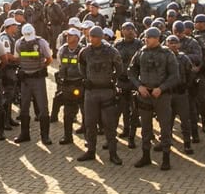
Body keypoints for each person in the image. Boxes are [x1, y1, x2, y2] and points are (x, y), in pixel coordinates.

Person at [129, 26, 181, 170]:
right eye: (145, 37)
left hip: (161, 96)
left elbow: (175, 76)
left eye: (149, 37)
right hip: (144, 95)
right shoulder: (141, 52)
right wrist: (139, 86)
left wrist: (161, 88)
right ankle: (146, 156)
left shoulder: (167, 54)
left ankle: (166, 158)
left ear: (157, 38)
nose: (146, 40)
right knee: (145, 127)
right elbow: (131, 71)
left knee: (165, 127)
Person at [76, 26, 123, 165]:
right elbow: (81, 67)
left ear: (101, 37)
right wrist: (86, 79)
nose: (92, 39)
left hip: (106, 91)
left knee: (109, 124)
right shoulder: (85, 52)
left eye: (95, 36)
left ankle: (113, 153)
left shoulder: (111, 51)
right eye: (91, 36)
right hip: (91, 92)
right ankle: (91, 151)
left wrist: (112, 79)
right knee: (90, 123)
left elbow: (119, 68)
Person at [13, 23, 53, 145]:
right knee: (24, 107)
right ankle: (24, 134)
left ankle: (45, 136)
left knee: (43, 107)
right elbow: (17, 58)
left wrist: (41, 68)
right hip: (25, 80)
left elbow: (49, 59)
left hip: (38, 79)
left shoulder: (41, 43)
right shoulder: (19, 43)